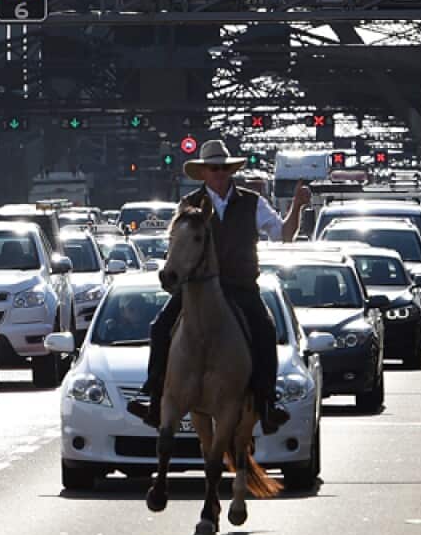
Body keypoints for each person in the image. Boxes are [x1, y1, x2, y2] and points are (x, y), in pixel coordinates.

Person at [128, 139, 311, 434]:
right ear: (203, 173)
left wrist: (298, 207)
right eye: (214, 168)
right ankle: (153, 396)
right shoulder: (188, 204)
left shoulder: (252, 202)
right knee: (160, 327)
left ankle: (267, 402)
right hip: (198, 289)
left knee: (265, 329)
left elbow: (284, 234)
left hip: (240, 286)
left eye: (224, 168)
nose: (219, 173)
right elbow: (177, 246)